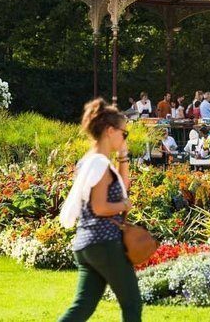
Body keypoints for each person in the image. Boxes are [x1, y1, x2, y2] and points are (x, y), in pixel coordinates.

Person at [58, 98, 141, 322]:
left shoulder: (91, 161)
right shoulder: (100, 165)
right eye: (124, 134)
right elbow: (100, 206)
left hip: (86, 245)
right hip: (104, 243)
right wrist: (124, 206)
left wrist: (123, 155)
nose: (125, 138)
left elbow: (123, 186)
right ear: (109, 130)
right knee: (132, 303)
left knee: (82, 307)